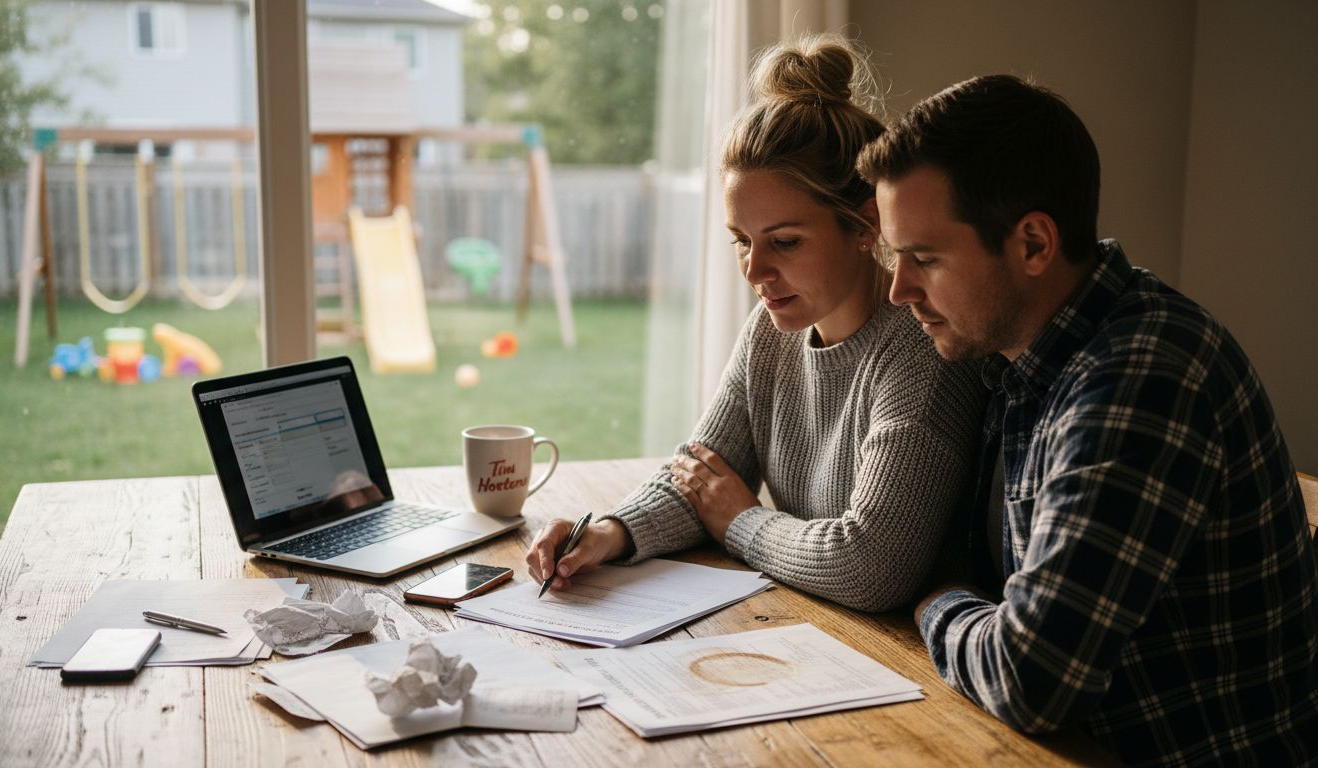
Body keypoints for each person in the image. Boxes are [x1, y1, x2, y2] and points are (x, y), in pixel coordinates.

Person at [859, 74, 1318, 765]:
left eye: (924, 258)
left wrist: (936, 602)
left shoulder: (1142, 377)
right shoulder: (1024, 360)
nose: (899, 290)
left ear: (1034, 245)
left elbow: (1029, 680)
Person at [524, 37, 987, 613]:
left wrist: (741, 522)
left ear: (866, 225)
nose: (754, 270)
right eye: (741, 240)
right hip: (807, 618)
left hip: (902, 649)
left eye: (784, 242)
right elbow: (700, 479)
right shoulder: (770, 332)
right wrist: (607, 534)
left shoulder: (922, 350)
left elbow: (870, 568)